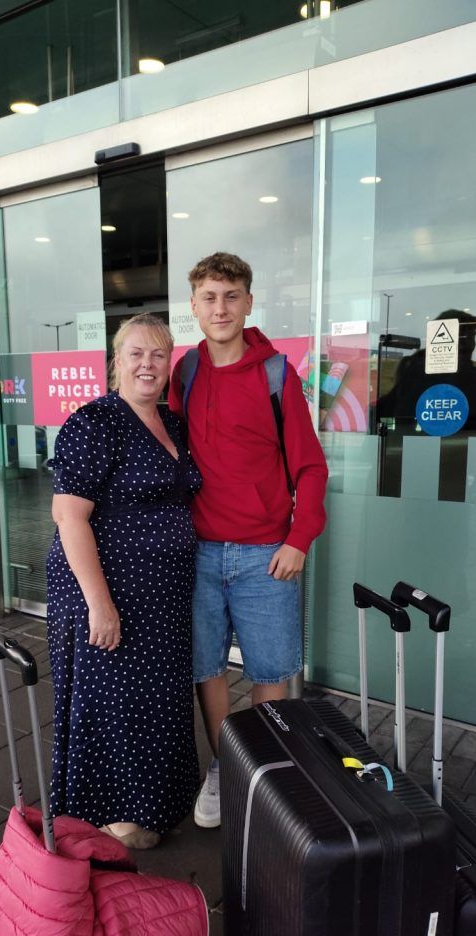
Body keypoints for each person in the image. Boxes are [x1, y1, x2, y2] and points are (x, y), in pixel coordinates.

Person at [169, 252, 328, 828]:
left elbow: (310, 467)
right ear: (193, 306)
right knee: (206, 668)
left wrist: (299, 538)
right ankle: (225, 769)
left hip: (267, 554)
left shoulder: (275, 374)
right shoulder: (182, 374)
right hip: (200, 553)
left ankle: (263, 771)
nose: (220, 307)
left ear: (248, 303)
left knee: (270, 673)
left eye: (231, 296)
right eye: (209, 297)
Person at [47, 313, 202, 850]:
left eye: (159, 355)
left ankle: (158, 800)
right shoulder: (94, 423)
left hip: (163, 591)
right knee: (116, 698)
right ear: (116, 361)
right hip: (108, 588)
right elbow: (69, 517)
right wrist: (99, 603)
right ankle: (116, 811)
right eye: (136, 353)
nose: (147, 364)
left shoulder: (175, 424)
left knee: (158, 697)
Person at [376, 309, 476, 431]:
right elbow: (474, 426)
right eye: (470, 336)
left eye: (472, 337)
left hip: (410, 444)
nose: (473, 344)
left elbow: (389, 409)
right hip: (445, 447)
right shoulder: (469, 377)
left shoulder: (413, 367)